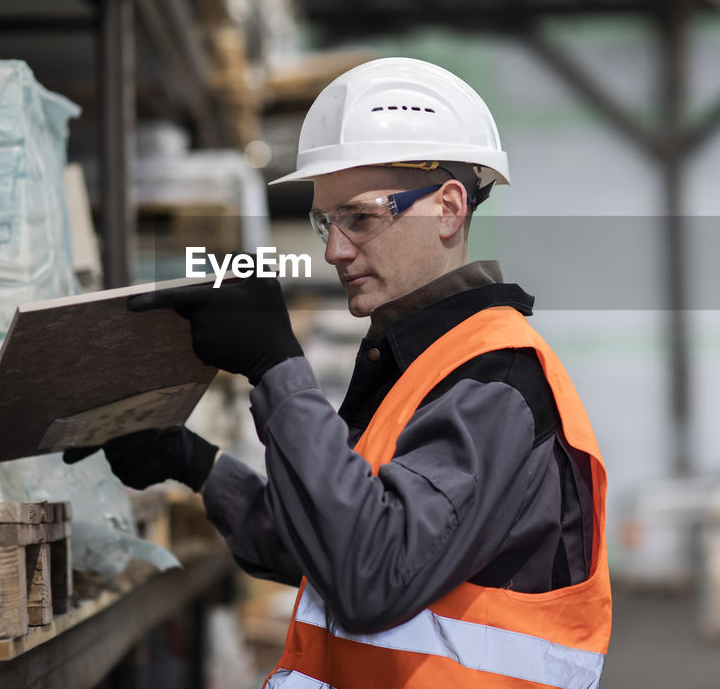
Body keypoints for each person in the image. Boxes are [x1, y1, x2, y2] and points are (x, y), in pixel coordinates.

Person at [68, 58, 612, 688]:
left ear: (449, 208)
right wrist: (196, 464)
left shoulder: (494, 379)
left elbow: (371, 575)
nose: (333, 250)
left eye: (361, 218)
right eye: (327, 222)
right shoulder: (419, 363)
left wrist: (277, 367)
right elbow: (325, 539)